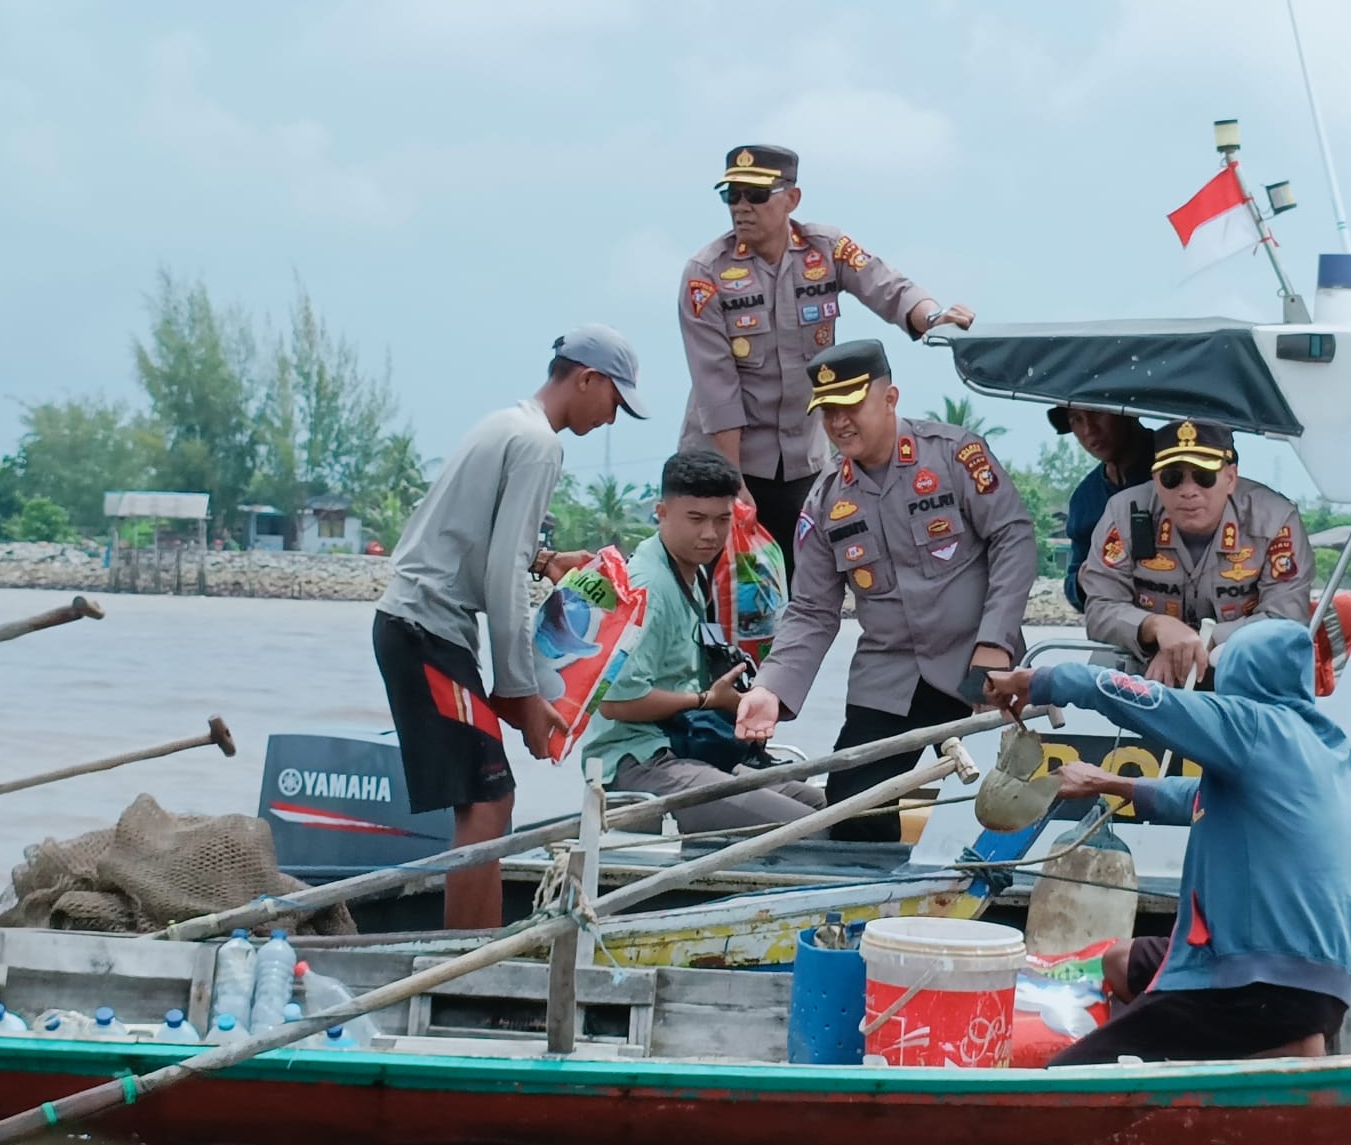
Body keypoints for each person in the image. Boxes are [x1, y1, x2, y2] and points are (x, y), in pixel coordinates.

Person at [984, 618, 1351, 1065]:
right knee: (1122, 962)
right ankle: (1280, 1045)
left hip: (1257, 986)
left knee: (1065, 1080)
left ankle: (1278, 1047)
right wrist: (1111, 784)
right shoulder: (1326, 745)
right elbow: (1198, 798)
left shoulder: (1250, 724)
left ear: (1241, 674)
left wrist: (1042, 681)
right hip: (1322, 987)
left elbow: (1145, 699)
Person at [372, 325, 647, 930]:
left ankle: (471, 948)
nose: (611, 418)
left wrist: (546, 561)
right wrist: (520, 692)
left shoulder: (505, 424)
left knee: (487, 798)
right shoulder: (540, 445)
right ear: (587, 379)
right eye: (615, 402)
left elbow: (482, 542)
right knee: (489, 800)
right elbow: (501, 579)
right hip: (425, 630)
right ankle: (469, 959)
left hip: (417, 625)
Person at [734, 339, 1036, 842]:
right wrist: (770, 688)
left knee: (1002, 804)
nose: (839, 422)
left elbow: (1014, 538)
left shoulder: (954, 456)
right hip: (889, 678)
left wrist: (996, 643)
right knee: (853, 812)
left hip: (976, 667)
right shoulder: (825, 500)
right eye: (828, 411)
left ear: (890, 398)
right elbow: (811, 609)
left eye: (850, 406)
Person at [677, 144, 975, 574]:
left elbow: (889, 287)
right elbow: (716, 388)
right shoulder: (705, 273)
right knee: (721, 592)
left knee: (806, 583)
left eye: (755, 195)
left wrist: (932, 317)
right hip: (723, 462)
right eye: (731, 195)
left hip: (802, 459)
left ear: (791, 199)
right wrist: (732, 483)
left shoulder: (826, 249)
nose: (741, 207)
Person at [580, 450, 825, 831]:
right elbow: (616, 702)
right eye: (696, 519)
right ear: (662, 513)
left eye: (722, 520)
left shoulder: (689, 574)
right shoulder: (650, 587)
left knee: (835, 808)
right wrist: (708, 700)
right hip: (640, 759)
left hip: (689, 746)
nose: (710, 534)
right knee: (810, 828)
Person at [1081, 419, 1313, 688]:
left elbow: (1285, 620)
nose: (1188, 491)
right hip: (1144, 673)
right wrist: (1155, 626)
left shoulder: (1275, 519)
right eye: (1172, 478)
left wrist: (1196, 643)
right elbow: (1100, 609)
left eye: (1204, 477)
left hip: (1240, 675)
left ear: (1230, 478)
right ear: (1155, 479)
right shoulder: (1123, 513)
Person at [1045, 407, 1155, 613]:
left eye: (1097, 413)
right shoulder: (1085, 498)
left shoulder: (1179, 471)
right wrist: (1083, 579)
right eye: (1077, 420)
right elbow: (1074, 580)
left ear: (1129, 411)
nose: (1089, 430)